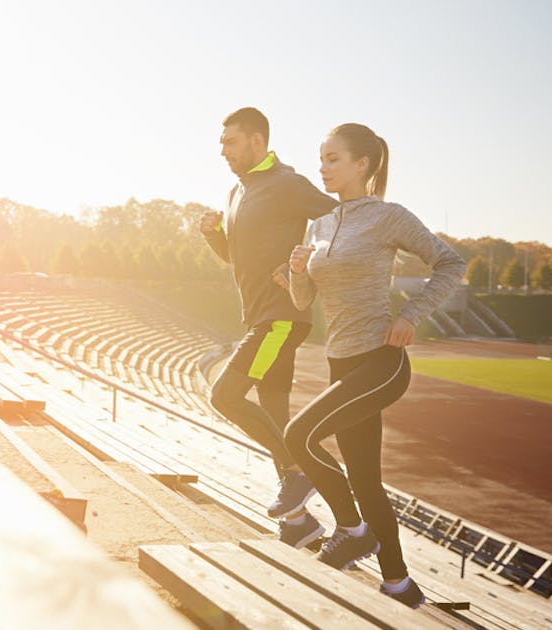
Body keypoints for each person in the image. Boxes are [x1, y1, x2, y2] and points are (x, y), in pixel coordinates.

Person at [275, 122, 466, 608]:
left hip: (380, 361)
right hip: (342, 361)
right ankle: (399, 584)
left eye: (333, 158)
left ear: (364, 164)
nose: (323, 167)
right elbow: (303, 301)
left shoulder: (388, 217)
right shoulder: (317, 225)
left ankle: (354, 531)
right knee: (364, 480)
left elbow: (450, 263)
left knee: (299, 435)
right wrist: (298, 271)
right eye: (321, 158)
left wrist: (410, 314)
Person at [200, 107, 337, 549]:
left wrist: (303, 264)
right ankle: (299, 522)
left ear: (257, 141)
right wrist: (213, 237)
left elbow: (342, 222)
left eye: (230, 142)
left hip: (282, 316)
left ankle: (302, 475)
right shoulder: (236, 193)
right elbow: (238, 258)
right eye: (222, 143)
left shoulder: (288, 185)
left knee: (223, 395)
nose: (222, 150)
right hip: (260, 316)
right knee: (276, 414)